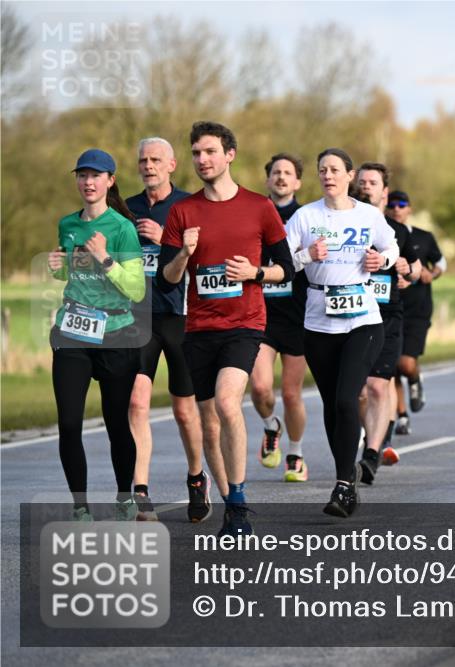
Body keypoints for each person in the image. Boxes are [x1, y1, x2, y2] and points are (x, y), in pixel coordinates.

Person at [157, 122, 293, 536]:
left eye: (210, 152)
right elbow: (166, 279)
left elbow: (285, 269)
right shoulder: (183, 212)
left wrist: (254, 271)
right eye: (196, 153)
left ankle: (237, 502)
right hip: (198, 328)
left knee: (227, 403)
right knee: (208, 421)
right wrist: (184, 252)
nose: (202, 160)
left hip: (245, 325)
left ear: (229, 155)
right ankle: (227, 497)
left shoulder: (258, 207)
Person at [284, 148, 399, 517]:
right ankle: (344, 472)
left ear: (349, 175)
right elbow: (283, 264)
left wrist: (382, 261)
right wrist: (306, 257)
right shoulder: (305, 216)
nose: (328, 175)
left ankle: (344, 487)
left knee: (348, 399)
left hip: (363, 321)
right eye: (322, 170)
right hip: (318, 321)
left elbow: (391, 246)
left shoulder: (368, 215)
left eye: (335, 169)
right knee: (334, 405)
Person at [47, 149, 145, 521]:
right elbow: (72, 276)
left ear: (110, 181)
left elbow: (135, 289)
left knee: (116, 423)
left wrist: (106, 258)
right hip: (73, 332)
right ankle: (81, 505)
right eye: (82, 175)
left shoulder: (122, 228)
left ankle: (124, 494)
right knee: (69, 423)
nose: (88, 182)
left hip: (116, 335)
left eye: (96, 176)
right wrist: (59, 268)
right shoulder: (67, 224)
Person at [125, 137, 210, 523]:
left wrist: (166, 243)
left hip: (180, 317)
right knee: (137, 403)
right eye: (143, 160)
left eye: (156, 159)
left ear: (172, 165)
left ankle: (196, 477)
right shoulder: (126, 208)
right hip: (138, 319)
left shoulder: (190, 206)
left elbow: (207, 260)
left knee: (183, 411)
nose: (148, 166)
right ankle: (140, 489)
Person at [354, 164, 421, 482]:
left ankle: (372, 452)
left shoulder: (400, 232)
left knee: (379, 384)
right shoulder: (344, 225)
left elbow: (418, 272)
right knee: (358, 392)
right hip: (351, 315)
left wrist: (407, 270)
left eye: (373, 182)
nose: (366, 186)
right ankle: (369, 437)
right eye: (361, 181)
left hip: (386, 315)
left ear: (384, 192)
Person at [250, 153, 310, 483]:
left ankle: (296, 453)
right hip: (262, 314)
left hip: (299, 315)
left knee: (291, 394)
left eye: (288, 173)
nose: (282, 177)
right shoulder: (256, 212)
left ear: (298, 182)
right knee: (260, 388)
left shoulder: (308, 216)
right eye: (276, 172)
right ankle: (271, 425)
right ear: (268, 179)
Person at [390, 190, 445, 436]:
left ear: (409, 209)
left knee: (405, 363)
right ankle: (401, 416)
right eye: (392, 204)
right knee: (389, 367)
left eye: (402, 204)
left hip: (417, 309)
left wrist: (430, 274)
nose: (397, 208)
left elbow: (441, 262)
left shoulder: (423, 237)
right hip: (389, 306)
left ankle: (414, 379)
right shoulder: (380, 235)